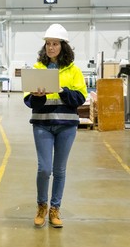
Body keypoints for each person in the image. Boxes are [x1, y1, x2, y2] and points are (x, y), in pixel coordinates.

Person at [24, 24, 88, 228]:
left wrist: (62, 89)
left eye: (55, 44)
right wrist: (37, 96)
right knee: (44, 169)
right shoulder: (37, 69)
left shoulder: (74, 71)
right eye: (48, 44)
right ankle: (41, 206)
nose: (51, 47)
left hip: (66, 126)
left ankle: (55, 209)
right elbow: (28, 101)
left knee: (59, 170)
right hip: (42, 125)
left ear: (63, 46)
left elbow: (79, 98)